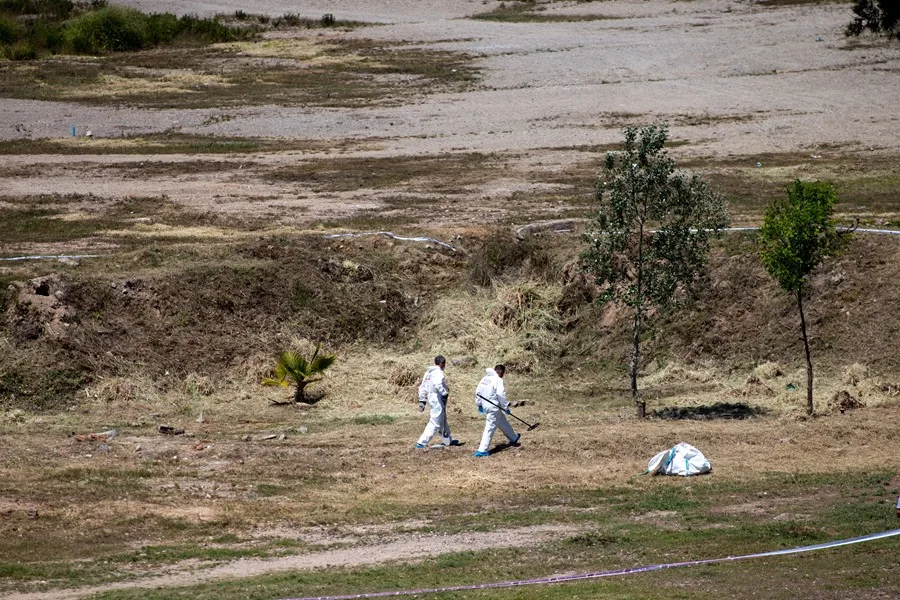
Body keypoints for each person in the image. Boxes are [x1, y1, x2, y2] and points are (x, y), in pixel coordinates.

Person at [472, 364, 519, 457]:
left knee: (501, 420)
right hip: (493, 407)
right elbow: (501, 394)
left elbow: (477, 392)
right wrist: (506, 408)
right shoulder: (498, 379)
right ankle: (482, 450)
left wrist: (479, 404)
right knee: (490, 427)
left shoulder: (484, 378)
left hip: (487, 406)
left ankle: (513, 437)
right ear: (501, 372)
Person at [414, 355, 457, 448]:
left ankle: (447, 440)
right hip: (437, 397)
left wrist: (422, 400)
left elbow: (423, 387)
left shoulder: (428, 373)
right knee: (435, 421)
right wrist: (444, 393)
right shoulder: (438, 372)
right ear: (442, 363)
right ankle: (422, 442)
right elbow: (438, 385)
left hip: (431, 397)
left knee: (443, 419)